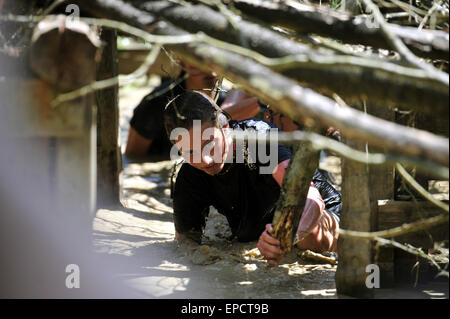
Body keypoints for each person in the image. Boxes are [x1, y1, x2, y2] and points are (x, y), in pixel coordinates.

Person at [163, 90, 342, 266]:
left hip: (325, 218)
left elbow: (311, 200)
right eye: (190, 152)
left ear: (225, 128)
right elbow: (184, 243)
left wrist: (285, 235)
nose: (205, 160)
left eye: (209, 144)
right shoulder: (190, 176)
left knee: (308, 239)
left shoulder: (259, 140)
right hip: (262, 234)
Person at [125, 63, 262, 158]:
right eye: (200, 60)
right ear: (180, 60)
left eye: (216, 60)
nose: (211, 69)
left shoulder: (228, 98)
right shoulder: (155, 104)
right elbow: (132, 158)